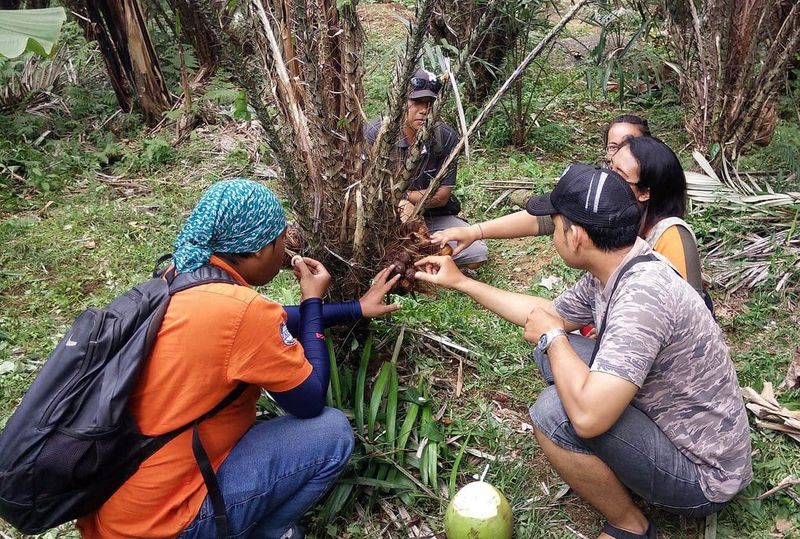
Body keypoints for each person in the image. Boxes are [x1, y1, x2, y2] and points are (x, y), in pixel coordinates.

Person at [414, 165, 752, 539]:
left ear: (576, 236)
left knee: (554, 413)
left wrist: (556, 338)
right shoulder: (621, 262)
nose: (552, 233)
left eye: (556, 225)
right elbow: (546, 315)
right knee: (551, 354)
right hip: (670, 413)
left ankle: (630, 526)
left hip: (704, 474)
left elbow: (588, 417)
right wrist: (461, 282)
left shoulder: (641, 300)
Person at [77, 179, 401, 539]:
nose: (285, 250)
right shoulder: (242, 312)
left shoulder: (180, 277)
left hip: (120, 510)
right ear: (261, 250)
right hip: (168, 524)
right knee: (330, 432)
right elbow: (309, 401)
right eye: (281, 239)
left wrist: (356, 308)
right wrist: (312, 300)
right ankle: (271, 533)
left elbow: (272, 318)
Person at [431, 126, 708, 303]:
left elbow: (687, 310)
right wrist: (474, 232)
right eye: (608, 166)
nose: (607, 177)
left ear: (645, 191)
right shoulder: (611, 213)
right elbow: (546, 217)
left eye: (619, 175)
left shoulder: (670, 235)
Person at [364, 68, 488, 266]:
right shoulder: (376, 134)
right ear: (400, 103)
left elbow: (441, 197)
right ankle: (415, 257)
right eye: (416, 102)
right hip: (385, 219)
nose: (424, 110)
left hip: (431, 216)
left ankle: (414, 257)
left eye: (429, 103)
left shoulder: (444, 137)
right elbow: (367, 190)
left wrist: (405, 197)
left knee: (477, 254)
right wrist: (403, 204)